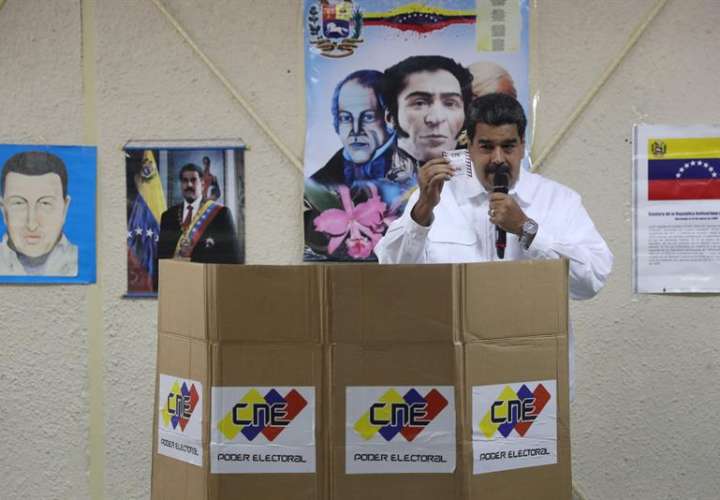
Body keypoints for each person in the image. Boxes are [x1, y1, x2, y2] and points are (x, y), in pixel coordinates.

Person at [375, 93, 613, 398]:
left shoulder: (558, 201)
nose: (498, 158)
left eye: (508, 146)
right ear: (469, 146)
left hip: (532, 385)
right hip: (449, 379)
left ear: (522, 145)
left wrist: (527, 230)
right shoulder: (439, 199)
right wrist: (422, 210)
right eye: (486, 146)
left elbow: (591, 280)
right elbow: (390, 276)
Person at [381, 55, 474, 184]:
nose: (436, 118)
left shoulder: (482, 176)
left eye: (450, 103)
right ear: (390, 117)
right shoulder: (368, 184)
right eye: (419, 103)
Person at [311, 69, 395, 186]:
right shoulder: (319, 183)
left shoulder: (416, 170)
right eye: (346, 118)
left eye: (368, 117)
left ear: (390, 118)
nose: (356, 131)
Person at [0, 151, 77, 276]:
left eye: (45, 203)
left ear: (65, 209)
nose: (32, 224)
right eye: (19, 203)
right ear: (3, 211)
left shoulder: (80, 260)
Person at [157, 163, 240, 264]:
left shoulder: (221, 214)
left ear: (203, 184)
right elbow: (161, 258)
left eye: (193, 180)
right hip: (176, 278)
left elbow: (233, 258)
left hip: (206, 277)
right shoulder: (167, 216)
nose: (189, 185)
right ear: (181, 185)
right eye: (185, 181)